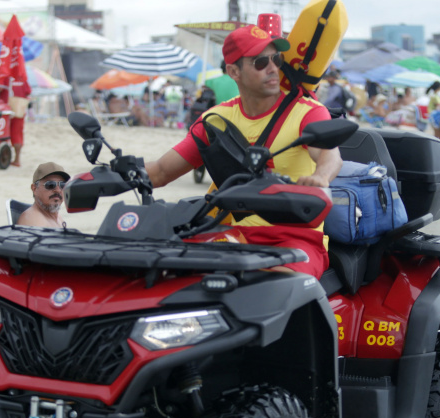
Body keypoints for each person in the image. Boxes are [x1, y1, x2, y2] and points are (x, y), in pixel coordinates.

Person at [144, 24, 342, 278]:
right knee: (162, 272)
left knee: (275, 287)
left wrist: (321, 177)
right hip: (232, 238)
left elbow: (330, 155)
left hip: (295, 240)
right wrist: (111, 175)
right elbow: (160, 172)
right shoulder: (215, 119)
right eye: (260, 62)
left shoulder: (307, 111)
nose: (273, 68)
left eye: (276, 59)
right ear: (233, 71)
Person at [17, 162, 72, 227]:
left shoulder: (56, 217)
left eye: (62, 185)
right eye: (50, 185)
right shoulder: (33, 221)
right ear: (34, 189)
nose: (58, 190)